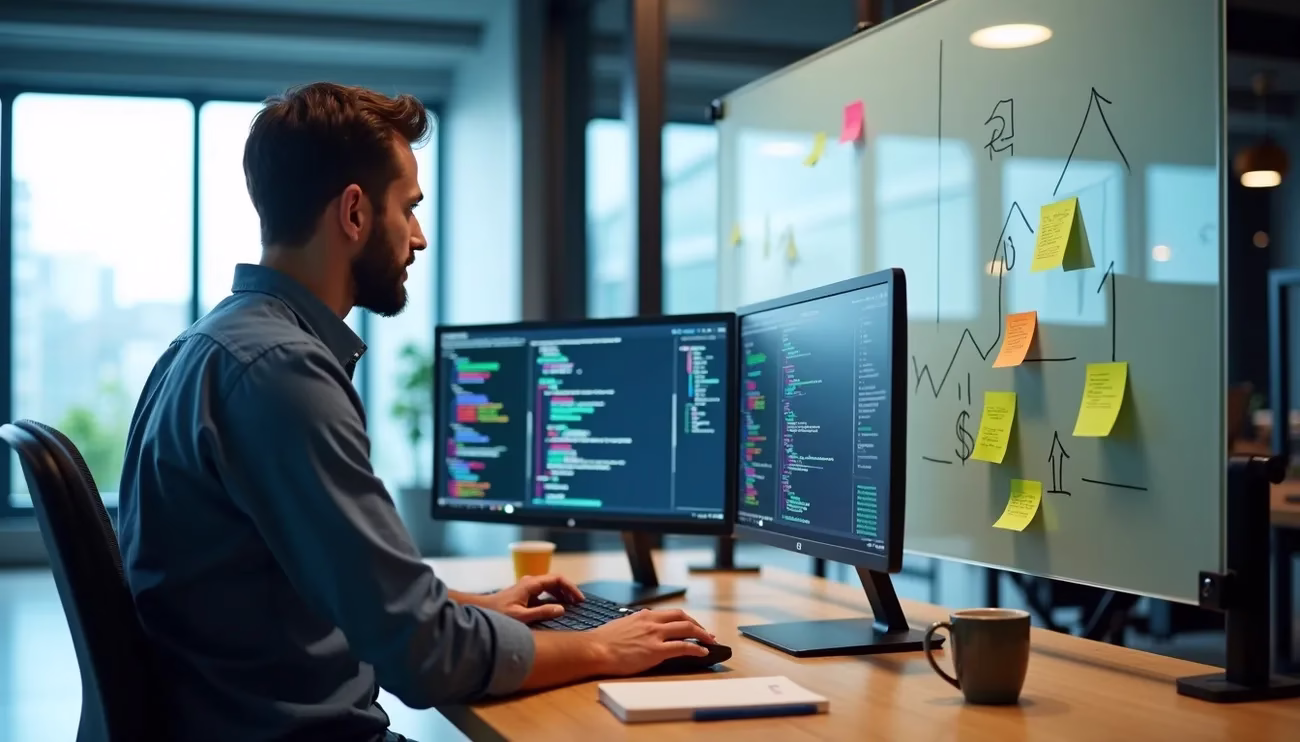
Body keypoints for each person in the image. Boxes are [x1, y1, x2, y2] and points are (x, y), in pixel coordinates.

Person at [115, 82, 716, 742]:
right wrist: (608, 646)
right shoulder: (282, 371)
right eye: (409, 208)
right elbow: (426, 658)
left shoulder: (212, 345)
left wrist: (467, 606)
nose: (420, 237)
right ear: (353, 213)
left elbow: (304, 583)